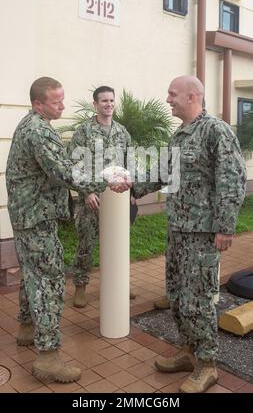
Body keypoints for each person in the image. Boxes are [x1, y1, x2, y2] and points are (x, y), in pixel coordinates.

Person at [5, 77, 129, 384]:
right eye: (56, 102)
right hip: (36, 216)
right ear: (38, 104)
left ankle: (26, 328)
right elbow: (64, 170)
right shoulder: (38, 130)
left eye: (63, 100)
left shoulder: (35, 124)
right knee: (49, 280)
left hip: (30, 214)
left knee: (32, 273)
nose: (62, 105)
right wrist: (105, 182)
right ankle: (48, 356)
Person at [132, 75, 246, 393]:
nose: (168, 99)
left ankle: (208, 364)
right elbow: (164, 171)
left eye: (173, 94)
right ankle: (187, 351)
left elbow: (232, 179)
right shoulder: (180, 135)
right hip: (178, 230)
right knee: (178, 297)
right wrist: (132, 187)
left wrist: (225, 227)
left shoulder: (215, 131)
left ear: (193, 97)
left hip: (202, 234)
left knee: (198, 301)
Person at [68, 85, 135, 308]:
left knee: (118, 241)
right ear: (95, 104)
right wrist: (86, 192)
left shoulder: (122, 132)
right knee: (86, 242)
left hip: (117, 199)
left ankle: (119, 283)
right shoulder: (84, 132)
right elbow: (74, 165)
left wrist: (132, 192)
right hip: (92, 198)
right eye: (104, 101)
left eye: (111, 100)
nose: (108, 104)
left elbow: (129, 163)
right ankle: (80, 285)